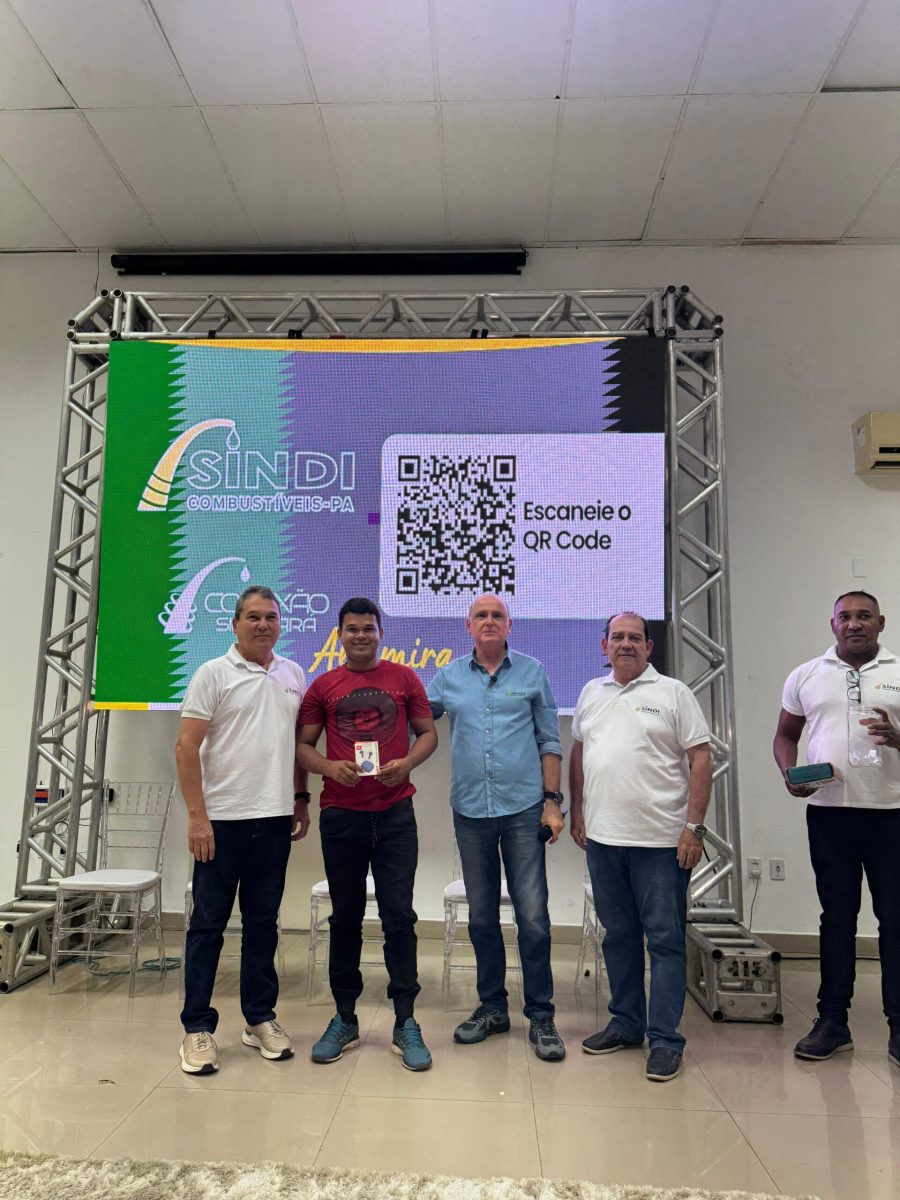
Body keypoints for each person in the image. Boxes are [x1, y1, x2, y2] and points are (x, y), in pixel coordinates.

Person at [569, 612, 712, 1082]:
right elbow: (579, 753)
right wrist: (578, 812)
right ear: (604, 645)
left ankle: (665, 1039)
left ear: (649, 647)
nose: (626, 644)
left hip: (661, 843)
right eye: (618, 637)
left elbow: (701, 759)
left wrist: (694, 828)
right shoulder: (591, 693)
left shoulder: (674, 693)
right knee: (619, 936)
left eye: (635, 638)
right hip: (604, 840)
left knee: (665, 941)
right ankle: (627, 1024)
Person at [297, 597, 437, 1071]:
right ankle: (344, 1018)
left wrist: (408, 762)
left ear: (381, 633)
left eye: (368, 628)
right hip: (342, 815)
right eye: (352, 628)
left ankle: (405, 1020)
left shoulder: (405, 678)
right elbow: (302, 746)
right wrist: (329, 767)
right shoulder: (323, 686)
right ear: (340, 635)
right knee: (346, 918)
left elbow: (428, 734)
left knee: (399, 917)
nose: (360, 635)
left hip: (396, 815)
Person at [175, 585, 310, 1075]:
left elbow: (294, 745)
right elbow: (186, 748)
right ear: (234, 624)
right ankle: (197, 1028)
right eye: (253, 617)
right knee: (208, 926)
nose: (262, 624)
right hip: (220, 823)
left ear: (280, 624)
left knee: (262, 924)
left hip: (273, 820)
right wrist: (197, 816)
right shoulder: (213, 673)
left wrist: (300, 798)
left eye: (271, 617)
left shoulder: (293, 674)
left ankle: (259, 1019)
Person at [427, 593, 566, 1061]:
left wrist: (552, 804)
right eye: (481, 615)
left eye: (497, 615)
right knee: (482, 918)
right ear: (468, 626)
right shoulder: (447, 676)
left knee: (533, 918)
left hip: (524, 810)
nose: (489, 621)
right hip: (471, 813)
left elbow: (550, 741)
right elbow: (414, 720)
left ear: (510, 625)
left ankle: (541, 1014)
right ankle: (492, 1008)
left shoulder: (533, 672)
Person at [774, 590, 900, 1067]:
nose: (854, 624)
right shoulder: (807, 674)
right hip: (829, 814)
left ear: (880, 623)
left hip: (891, 812)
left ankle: (899, 1026)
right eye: (845, 617)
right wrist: (789, 773)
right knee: (837, 919)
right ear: (833, 625)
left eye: (864, 616)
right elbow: (786, 735)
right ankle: (832, 1023)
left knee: (895, 921)